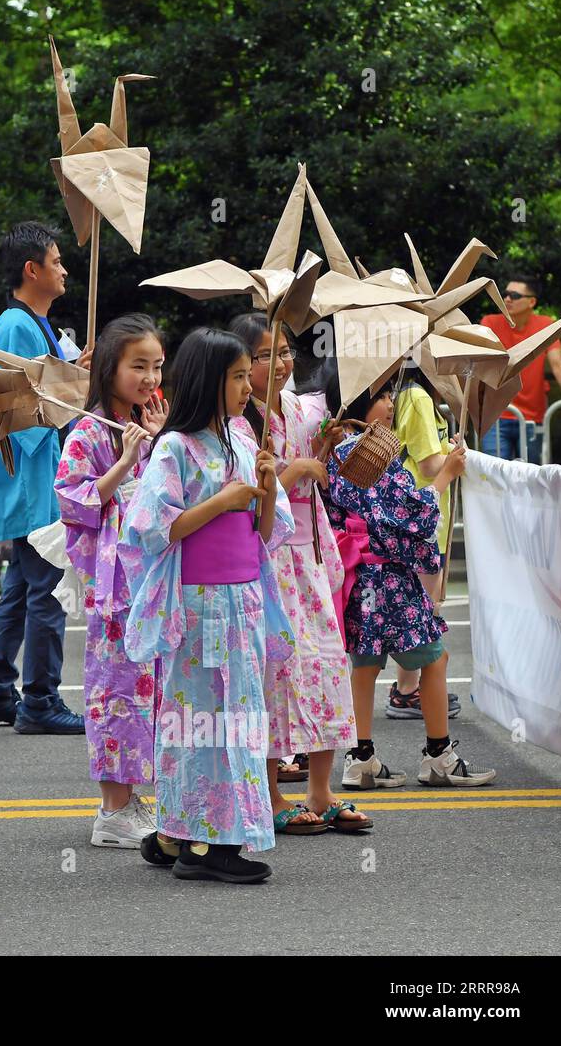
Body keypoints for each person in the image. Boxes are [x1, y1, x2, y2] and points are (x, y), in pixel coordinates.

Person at [123, 327, 294, 883]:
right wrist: (223, 500)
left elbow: (265, 534)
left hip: (241, 598)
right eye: (239, 376)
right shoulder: (174, 447)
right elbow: (152, 528)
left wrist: (264, 490)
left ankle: (182, 831)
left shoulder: (244, 442)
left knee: (234, 718)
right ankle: (207, 843)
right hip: (198, 604)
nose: (248, 386)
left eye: (248, 375)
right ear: (208, 380)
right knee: (201, 719)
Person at [323, 382, 496, 790]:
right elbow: (412, 516)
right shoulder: (372, 453)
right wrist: (446, 476)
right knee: (434, 659)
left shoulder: (335, 451)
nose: (390, 404)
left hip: (358, 576)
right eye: (383, 397)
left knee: (364, 665)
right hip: (389, 579)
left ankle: (360, 758)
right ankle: (440, 757)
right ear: (361, 405)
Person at [232, 313, 365, 836]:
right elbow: (246, 492)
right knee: (275, 673)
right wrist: (299, 470)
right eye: (265, 356)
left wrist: (324, 450)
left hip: (308, 554)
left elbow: (321, 465)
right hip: (266, 558)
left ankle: (321, 788)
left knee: (327, 664)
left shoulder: (304, 408)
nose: (281, 363)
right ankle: (269, 791)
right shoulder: (239, 421)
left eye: (284, 352)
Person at [0, 222, 85, 735]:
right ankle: (39, 698)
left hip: (30, 471)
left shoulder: (28, 324)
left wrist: (77, 371)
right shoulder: (17, 325)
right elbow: (31, 409)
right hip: (32, 472)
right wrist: (77, 387)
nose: (63, 270)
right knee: (48, 585)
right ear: (31, 270)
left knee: (21, 583)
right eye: (56, 261)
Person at [54, 314, 167, 849]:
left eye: (156, 366)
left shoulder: (147, 423)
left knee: (155, 687)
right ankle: (113, 808)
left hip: (156, 575)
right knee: (117, 689)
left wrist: (160, 441)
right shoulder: (89, 431)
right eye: (137, 366)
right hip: (118, 582)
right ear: (109, 368)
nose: (149, 377)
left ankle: (139, 796)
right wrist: (125, 462)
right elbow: (73, 500)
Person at [390, 366, 461, 720]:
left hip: (425, 513)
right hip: (422, 514)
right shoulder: (417, 397)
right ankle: (408, 690)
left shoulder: (418, 396)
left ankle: (408, 688)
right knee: (425, 607)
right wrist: (457, 457)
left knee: (422, 605)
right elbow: (430, 464)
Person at [479, 274, 561, 460]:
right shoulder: (489, 322)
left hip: (531, 419)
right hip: (495, 416)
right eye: (505, 294)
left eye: (515, 295)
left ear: (531, 302)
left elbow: (558, 366)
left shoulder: (545, 325)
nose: (507, 299)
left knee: (529, 482)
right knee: (496, 480)